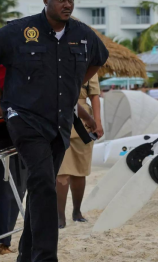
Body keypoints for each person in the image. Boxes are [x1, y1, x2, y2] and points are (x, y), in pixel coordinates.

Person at [0, 0, 109, 261]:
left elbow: (100, 58)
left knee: (40, 188)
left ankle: (27, 255)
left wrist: (74, 87)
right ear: (46, 0)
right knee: (44, 183)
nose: (67, 4)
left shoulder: (83, 35)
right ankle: (46, 257)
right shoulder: (20, 31)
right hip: (24, 118)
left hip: (59, 123)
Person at [56, 75, 103, 229]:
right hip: (61, 117)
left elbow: (95, 97)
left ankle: (76, 212)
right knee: (62, 172)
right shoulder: (58, 61)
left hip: (83, 123)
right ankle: (60, 216)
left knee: (80, 170)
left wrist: (98, 123)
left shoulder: (90, 67)